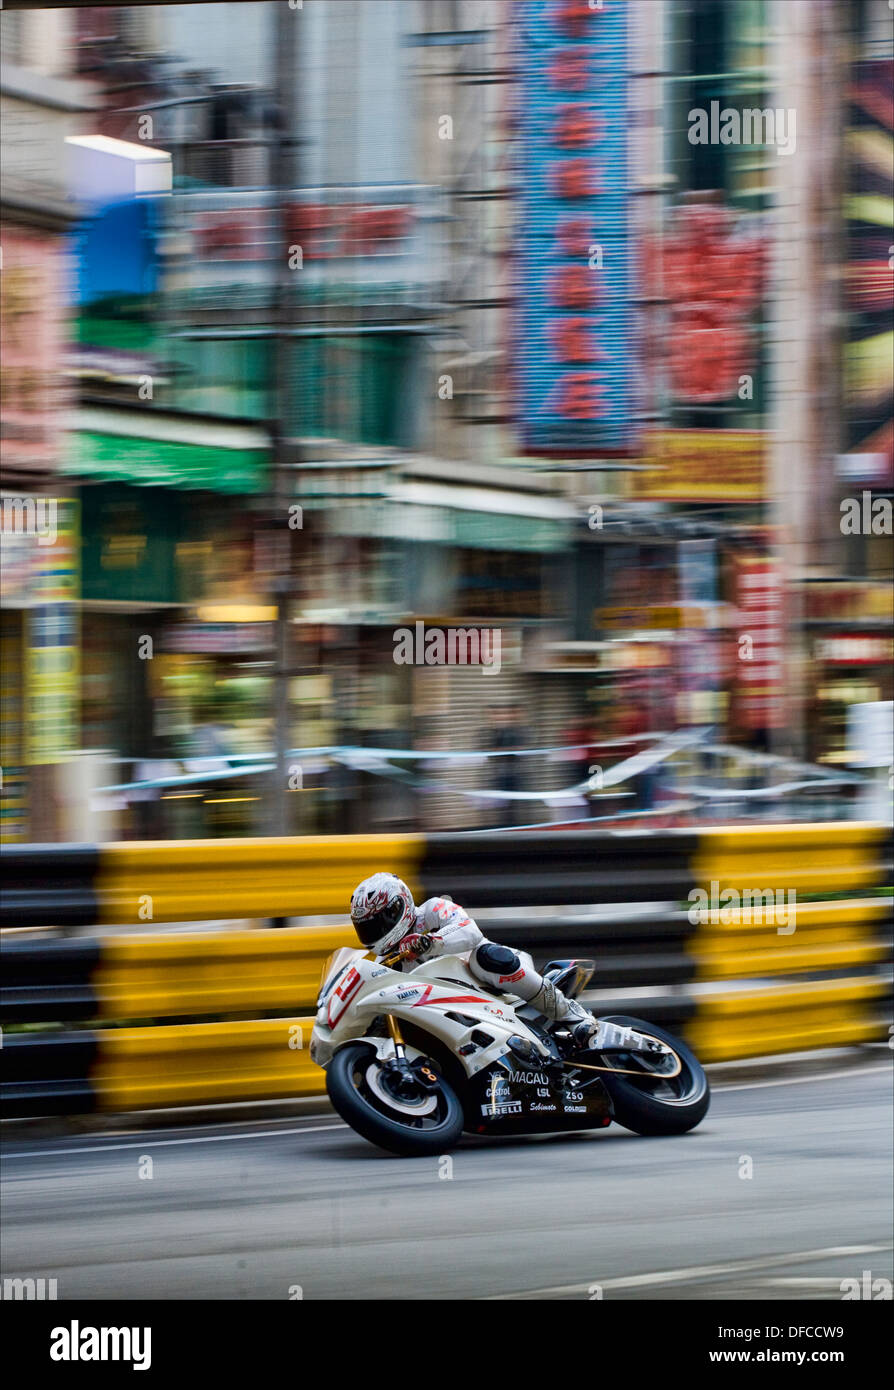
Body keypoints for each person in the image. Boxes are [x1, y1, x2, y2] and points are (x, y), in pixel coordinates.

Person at [349, 871, 603, 1048]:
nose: (376, 932)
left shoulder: (432, 911)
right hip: (452, 1008)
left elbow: (471, 933)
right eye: (368, 928)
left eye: (379, 923)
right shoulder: (385, 960)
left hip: (492, 985)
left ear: (398, 908)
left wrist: (430, 941)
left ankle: (574, 1016)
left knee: (485, 957)